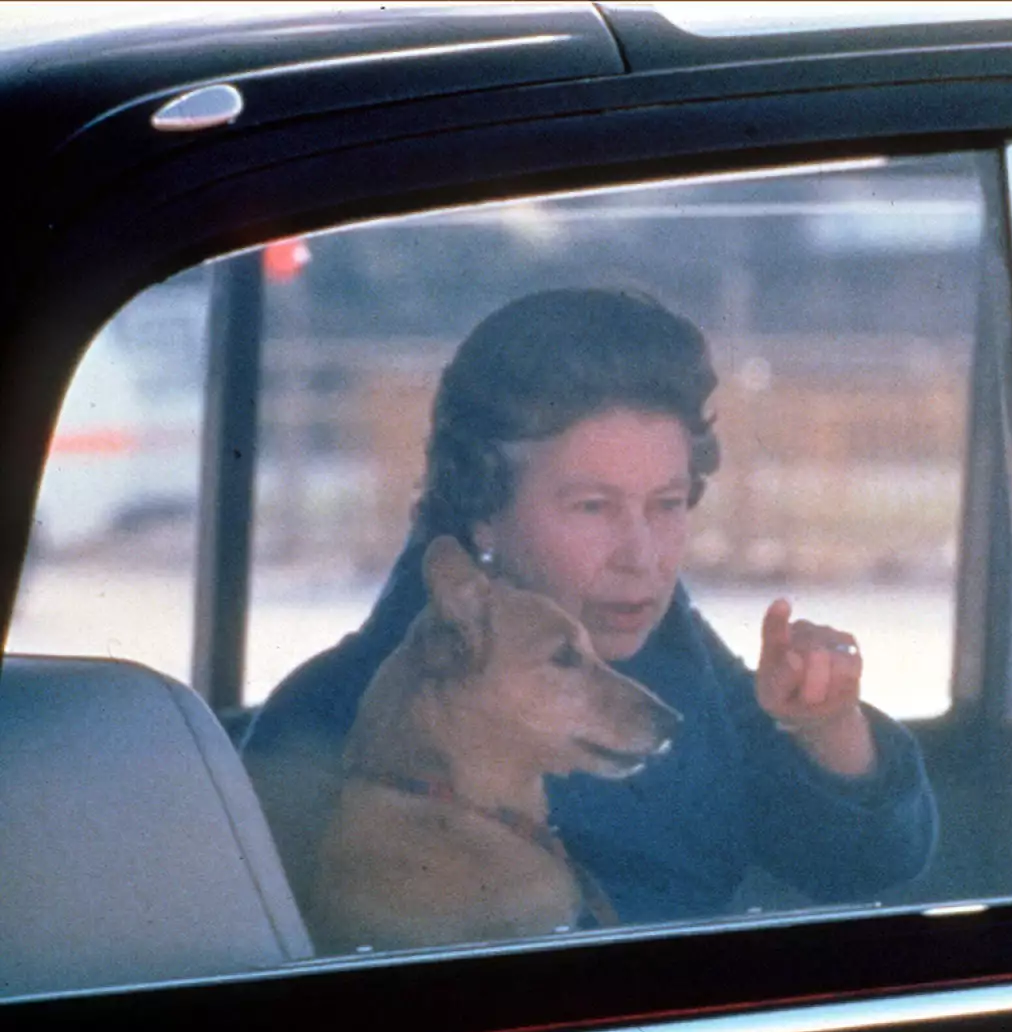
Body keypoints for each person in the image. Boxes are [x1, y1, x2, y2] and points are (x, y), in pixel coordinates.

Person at [242, 288, 937, 932]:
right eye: (593, 507)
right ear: (482, 509)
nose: (643, 555)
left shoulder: (676, 656)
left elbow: (865, 864)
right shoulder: (333, 721)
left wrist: (826, 727)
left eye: (668, 504)